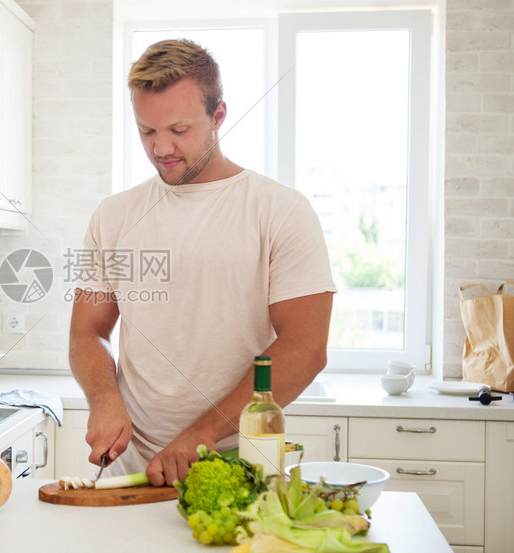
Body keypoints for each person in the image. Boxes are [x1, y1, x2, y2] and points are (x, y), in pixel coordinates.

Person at [68, 39, 337, 487]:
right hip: (130, 471)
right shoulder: (114, 215)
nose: (161, 148)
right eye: (147, 131)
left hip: (239, 465)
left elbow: (306, 347)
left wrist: (202, 435)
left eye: (178, 129)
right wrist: (103, 397)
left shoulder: (279, 210)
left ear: (218, 116)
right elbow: (87, 330)